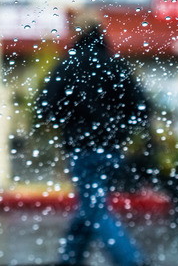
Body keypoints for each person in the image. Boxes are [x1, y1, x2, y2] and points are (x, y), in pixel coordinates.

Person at [36, 26, 151, 266]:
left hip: (82, 151)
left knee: (95, 209)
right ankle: (70, 258)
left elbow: (44, 106)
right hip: (111, 152)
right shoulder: (116, 65)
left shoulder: (68, 66)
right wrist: (122, 129)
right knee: (90, 205)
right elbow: (142, 108)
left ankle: (130, 260)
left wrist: (67, 122)